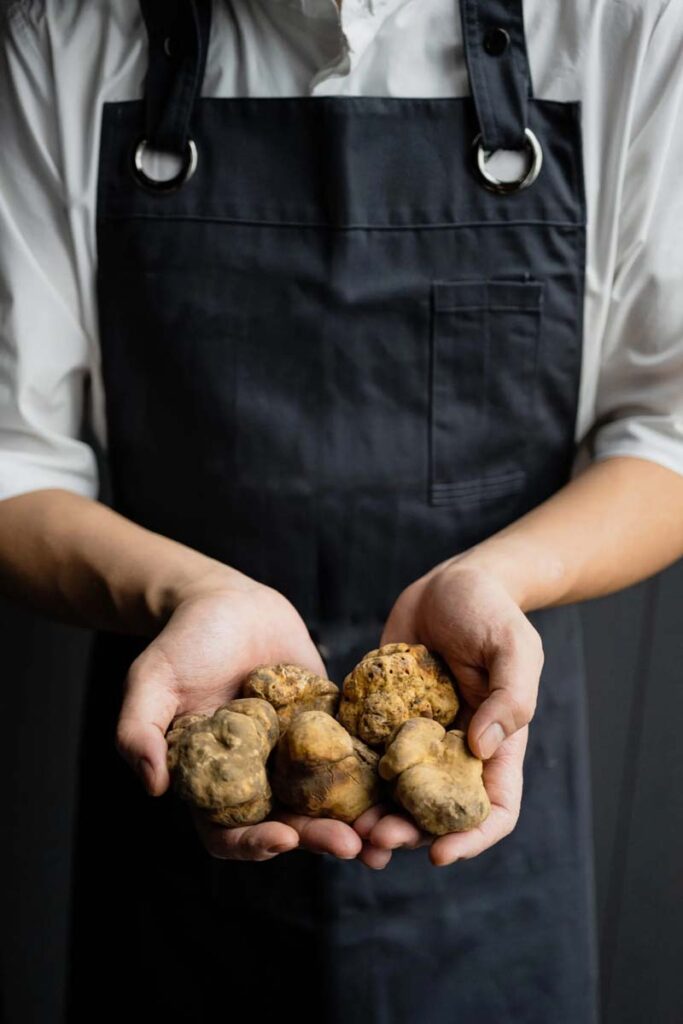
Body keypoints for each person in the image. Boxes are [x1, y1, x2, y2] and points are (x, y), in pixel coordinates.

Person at [1, 0, 682, 1021]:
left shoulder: (623, 24)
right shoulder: (64, 31)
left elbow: (665, 432)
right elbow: (13, 459)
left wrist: (495, 582)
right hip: (184, 794)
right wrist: (187, 591)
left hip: (492, 776)